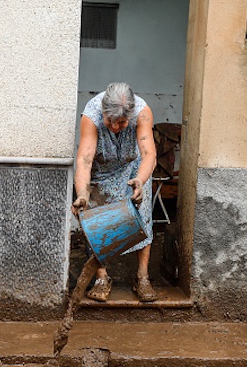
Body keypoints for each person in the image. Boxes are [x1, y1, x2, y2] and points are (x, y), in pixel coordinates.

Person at [71, 82, 158, 302]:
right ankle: (102, 277)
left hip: (133, 168)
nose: (117, 127)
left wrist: (139, 179)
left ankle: (142, 277)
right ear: (103, 114)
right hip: (102, 169)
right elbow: (84, 158)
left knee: (143, 214)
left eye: (122, 123)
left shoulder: (142, 112)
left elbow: (149, 154)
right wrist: (82, 193)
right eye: (112, 122)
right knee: (95, 217)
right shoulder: (91, 116)